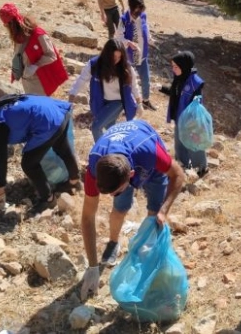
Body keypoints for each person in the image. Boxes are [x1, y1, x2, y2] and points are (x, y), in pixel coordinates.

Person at [79, 120, 186, 300]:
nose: (112, 195)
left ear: (130, 176)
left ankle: (147, 257)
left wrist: (163, 210)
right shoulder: (96, 167)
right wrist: (92, 267)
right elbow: (88, 217)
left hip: (149, 165)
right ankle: (113, 243)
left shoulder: (151, 153)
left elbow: (178, 174)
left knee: (154, 216)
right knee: (120, 208)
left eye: (116, 192)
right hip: (123, 160)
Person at [0, 95, 81, 215]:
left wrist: (0, 192)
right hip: (57, 112)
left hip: (47, 122)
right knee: (62, 148)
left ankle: (48, 199)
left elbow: (1, 161)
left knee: (29, 164)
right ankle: (74, 181)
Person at [68, 39, 142, 141]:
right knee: (111, 129)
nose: (117, 60)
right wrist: (71, 97)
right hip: (101, 102)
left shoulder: (126, 67)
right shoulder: (94, 65)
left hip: (118, 102)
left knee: (96, 127)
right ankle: (119, 148)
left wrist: (139, 103)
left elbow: (134, 86)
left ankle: (102, 153)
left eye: (120, 57)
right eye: (114, 56)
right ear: (107, 54)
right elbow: (81, 80)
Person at [0, 3, 68, 96]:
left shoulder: (38, 34)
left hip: (40, 82)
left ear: (13, 22)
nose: (7, 27)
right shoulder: (17, 36)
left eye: (8, 24)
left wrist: (35, 66)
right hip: (27, 81)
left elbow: (52, 55)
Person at [166, 51, 208, 177]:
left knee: (194, 143)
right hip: (180, 117)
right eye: (172, 66)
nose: (173, 70)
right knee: (179, 142)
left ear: (184, 66)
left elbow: (197, 102)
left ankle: (201, 168)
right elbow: (179, 94)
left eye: (176, 67)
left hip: (191, 120)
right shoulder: (180, 78)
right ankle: (182, 164)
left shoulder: (195, 83)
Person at [115, 0, 157, 111]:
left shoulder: (143, 16)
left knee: (146, 80)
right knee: (129, 81)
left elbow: (146, 30)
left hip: (142, 55)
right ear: (131, 7)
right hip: (129, 57)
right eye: (136, 9)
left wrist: (150, 40)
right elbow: (118, 37)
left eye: (140, 9)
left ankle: (146, 101)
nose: (138, 12)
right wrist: (129, 43)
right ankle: (128, 104)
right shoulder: (124, 19)